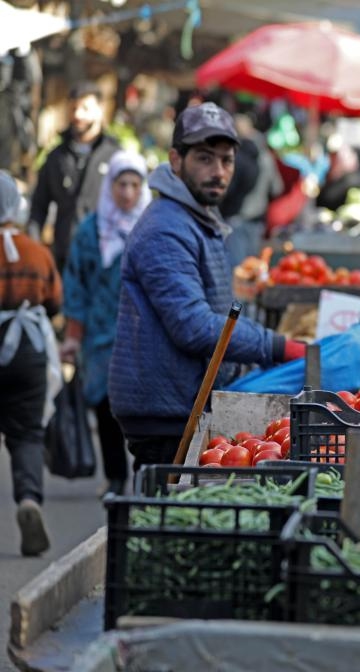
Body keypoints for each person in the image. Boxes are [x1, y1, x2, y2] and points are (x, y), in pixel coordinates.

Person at [107, 103, 306, 472]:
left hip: (183, 399)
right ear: (175, 159)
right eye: (204, 159)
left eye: (226, 161)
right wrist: (277, 346)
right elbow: (193, 326)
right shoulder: (165, 228)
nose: (218, 172)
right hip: (166, 409)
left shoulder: (196, 216)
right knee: (166, 514)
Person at [60, 151, 152, 496]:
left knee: (142, 411)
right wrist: (73, 335)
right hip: (99, 335)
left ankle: (143, 476)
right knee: (103, 405)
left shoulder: (150, 228)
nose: (127, 192)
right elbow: (76, 283)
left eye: (134, 184)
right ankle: (115, 476)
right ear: (110, 186)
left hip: (142, 335)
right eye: (121, 184)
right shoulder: (91, 230)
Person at [0, 170, 61, 555]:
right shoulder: (37, 251)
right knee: (26, 433)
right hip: (29, 348)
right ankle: (28, 500)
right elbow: (54, 302)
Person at [29, 81, 121, 270]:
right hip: (64, 258)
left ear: (100, 110)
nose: (78, 115)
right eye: (74, 108)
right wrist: (34, 247)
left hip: (105, 261)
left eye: (85, 108)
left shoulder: (115, 156)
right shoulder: (56, 157)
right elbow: (39, 206)